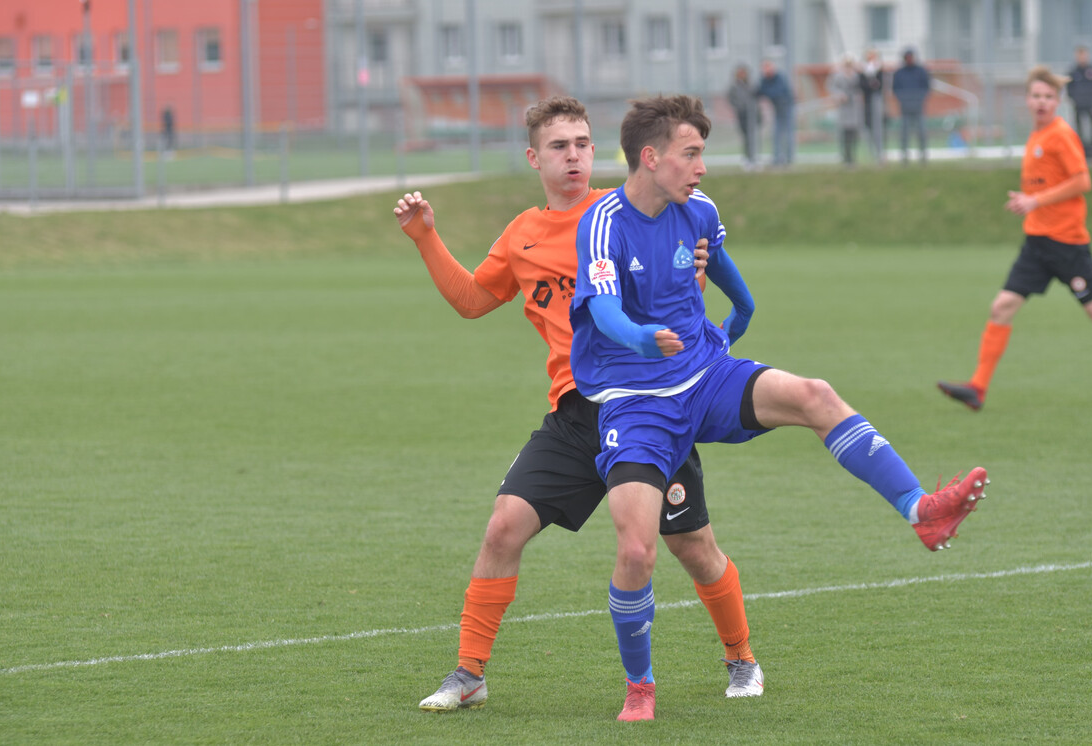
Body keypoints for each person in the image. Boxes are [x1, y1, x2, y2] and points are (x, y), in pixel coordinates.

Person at [570, 94, 989, 722]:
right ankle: (641, 686)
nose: (702, 167)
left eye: (703, 154)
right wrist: (639, 337)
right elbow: (603, 311)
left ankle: (921, 511)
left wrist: (743, 308)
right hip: (638, 405)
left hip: (705, 375)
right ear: (651, 157)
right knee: (637, 550)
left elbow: (724, 267)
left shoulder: (698, 209)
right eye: (692, 153)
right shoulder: (605, 220)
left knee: (815, 394)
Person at [393, 96, 764, 718]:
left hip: (648, 406)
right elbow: (472, 300)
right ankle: (470, 672)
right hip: (576, 413)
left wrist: (700, 269)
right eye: (560, 145)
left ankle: (741, 657)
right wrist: (427, 237)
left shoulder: (627, 211)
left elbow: (683, 278)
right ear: (534, 156)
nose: (575, 155)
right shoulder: (523, 235)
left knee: (692, 547)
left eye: (584, 143)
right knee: (504, 525)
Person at [937, 67, 1092, 412]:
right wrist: (1029, 200)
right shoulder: (1036, 136)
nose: (1042, 102)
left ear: (1057, 102)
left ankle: (978, 387)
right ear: (1027, 99)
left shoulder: (1060, 134)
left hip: (1067, 244)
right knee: (1001, 307)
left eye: (1048, 97)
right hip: (1036, 244)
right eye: (1036, 96)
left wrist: (1035, 200)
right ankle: (977, 388)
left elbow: (1083, 181)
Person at [890, 48, 930, 164]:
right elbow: (895, 89)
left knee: (921, 132)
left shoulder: (921, 71)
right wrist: (903, 100)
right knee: (904, 133)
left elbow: (926, 87)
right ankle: (904, 156)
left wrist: (919, 99)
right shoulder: (899, 73)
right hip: (905, 108)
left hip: (918, 107)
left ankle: (923, 156)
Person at [757, 59, 795, 166]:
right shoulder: (765, 79)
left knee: (787, 134)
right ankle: (777, 158)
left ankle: (788, 158)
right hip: (777, 110)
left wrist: (766, 92)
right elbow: (760, 90)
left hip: (786, 108)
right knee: (776, 134)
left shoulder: (780, 78)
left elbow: (776, 92)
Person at [828, 54, 861, 166]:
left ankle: (852, 156)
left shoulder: (856, 77)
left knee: (853, 134)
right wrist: (839, 95)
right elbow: (832, 88)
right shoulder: (838, 77)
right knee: (844, 133)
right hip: (844, 108)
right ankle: (845, 156)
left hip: (854, 108)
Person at [1067, 46, 1092, 145]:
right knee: (1078, 124)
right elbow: (1069, 86)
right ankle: (1080, 142)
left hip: (1090, 102)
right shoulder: (1073, 71)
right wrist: (1073, 98)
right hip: (1078, 103)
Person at [727, 64, 759, 169]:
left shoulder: (750, 85)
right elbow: (731, 99)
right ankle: (747, 158)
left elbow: (755, 98)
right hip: (742, 116)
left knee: (752, 137)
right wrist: (739, 107)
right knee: (746, 138)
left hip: (752, 115)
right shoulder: (734, 87)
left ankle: (753, 158)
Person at [859, 48, 886, 163]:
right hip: (866, 102)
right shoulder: (862, 71)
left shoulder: (879, 69)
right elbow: (863, 86)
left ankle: (879, 152)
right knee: (867, 127)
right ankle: (870, 152)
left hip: (876, 101)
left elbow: (879, 85)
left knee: (878, 128)